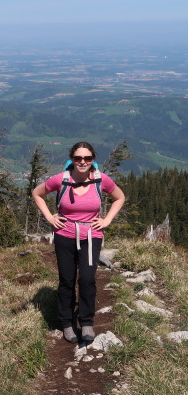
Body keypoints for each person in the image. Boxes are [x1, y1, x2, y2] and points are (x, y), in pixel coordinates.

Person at [32, 142, 125, 343]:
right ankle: (67, 323)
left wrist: (106, 220)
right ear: (72, 159)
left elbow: (119, 197)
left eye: (87, 158)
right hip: (65, 235)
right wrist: (50, 217)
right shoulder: (61, 180)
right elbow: (37, 193)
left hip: (91, 236)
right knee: (66, 280)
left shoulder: (101, 180)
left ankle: (87, 322)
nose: (82, 162)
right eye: (78, 158)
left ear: (93, 160)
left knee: (87, 279)